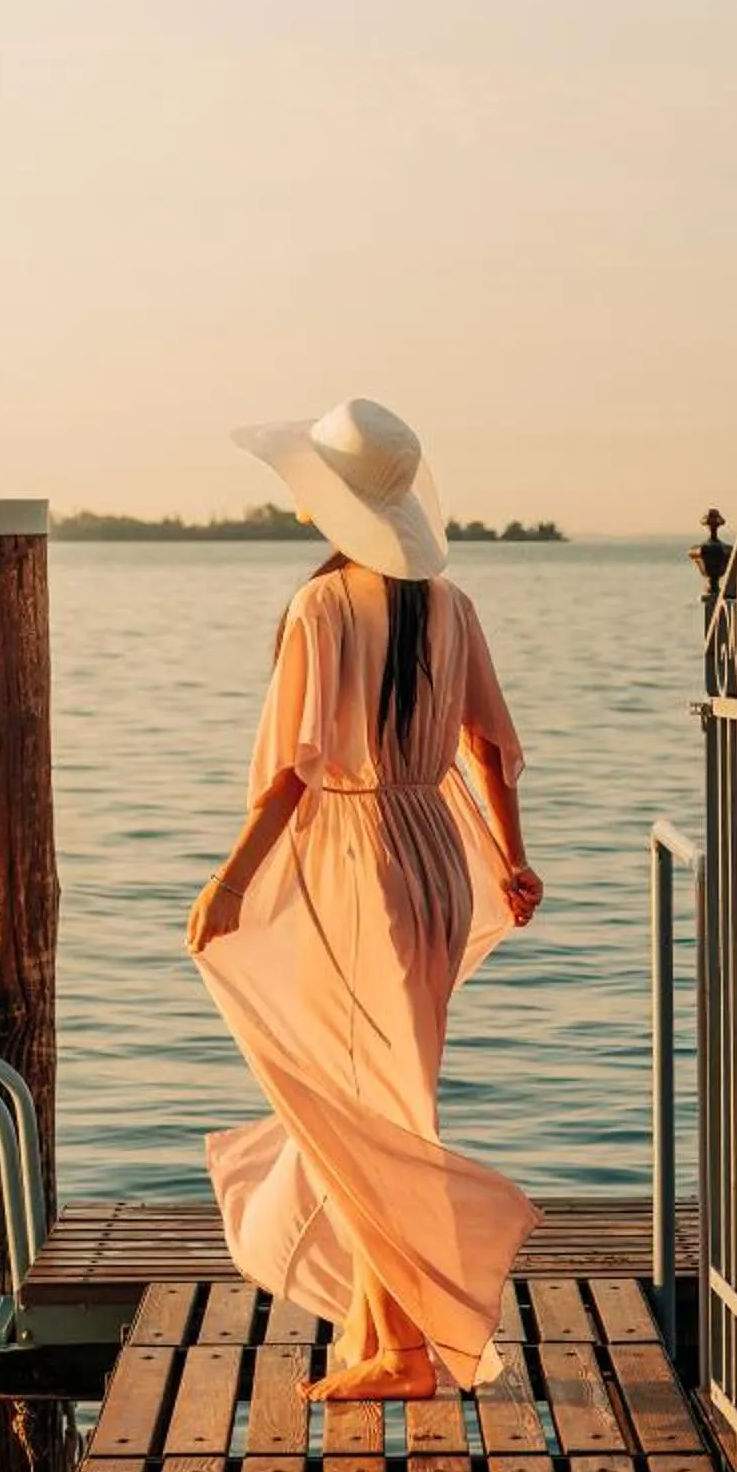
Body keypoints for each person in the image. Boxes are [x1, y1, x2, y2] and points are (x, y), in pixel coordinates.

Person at [185, 397, 544, 1401]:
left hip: (353, 859)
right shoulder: (450, 604)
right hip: (431, 852)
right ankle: (394, 1332)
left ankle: (408, 1349)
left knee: (356, 1109)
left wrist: (232, 880)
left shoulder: (322, 609)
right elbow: (491, 750)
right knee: (382, 1104)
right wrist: (510, 862)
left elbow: (292, 775)